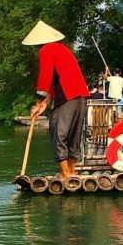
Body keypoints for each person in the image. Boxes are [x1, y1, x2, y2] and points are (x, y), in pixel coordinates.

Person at [25, 20, 89, 179]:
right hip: (81, 96)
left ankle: (65, 173)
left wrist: (38, 102)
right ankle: (72, 171)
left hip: (67, 96)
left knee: (57, 130)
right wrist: (43, 104)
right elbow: (55, 84)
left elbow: (45, 77)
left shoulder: (46, 49)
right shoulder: (63, 49)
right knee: (75, 133)